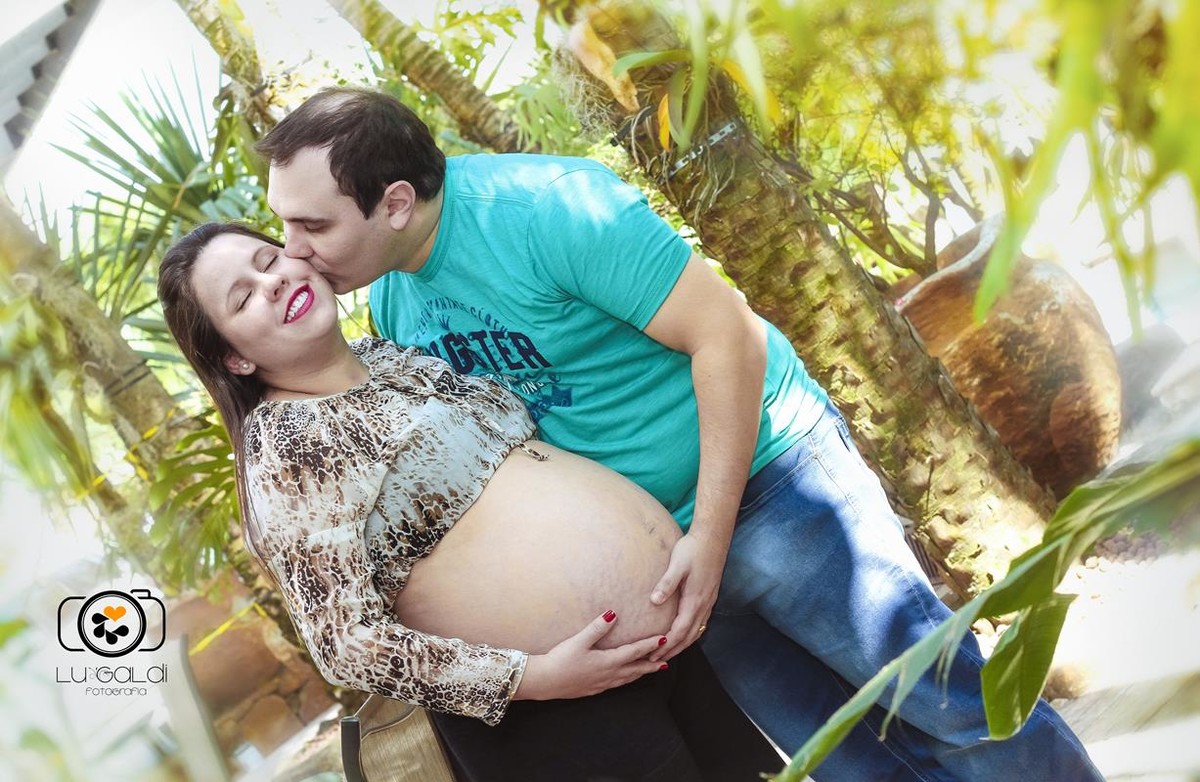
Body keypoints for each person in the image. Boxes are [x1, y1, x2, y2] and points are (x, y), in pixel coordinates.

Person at [253, 85, 1105, 781]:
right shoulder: (397, 302)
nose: (293, 250)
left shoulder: (547, 209)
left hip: (772, 489)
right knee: (844, 752)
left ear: (395, 201)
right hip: (674, 569)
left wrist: (712, 523)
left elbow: (724, 334)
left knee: (949, 705)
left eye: (311, 225)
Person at [157, 221, 783, 782]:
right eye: (241, 298)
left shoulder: (391, 354)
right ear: (235, 358)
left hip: (660, 653)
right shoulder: (288, 440)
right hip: (556, 718)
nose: (269, 284)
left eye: (268, 261)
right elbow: (344, 643)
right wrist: (533, 679)